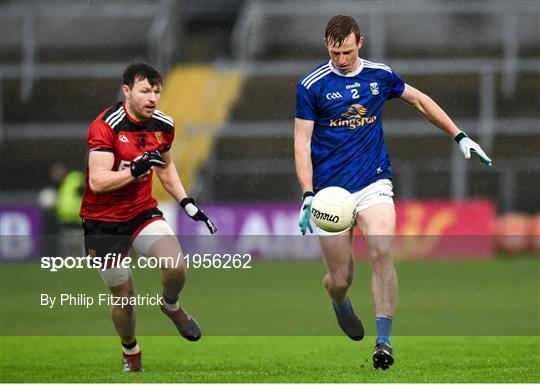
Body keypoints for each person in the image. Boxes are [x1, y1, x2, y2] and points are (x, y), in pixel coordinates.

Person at [294, 15, 492, 370]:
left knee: (383, 251)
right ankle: (339, 302)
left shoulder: (378, 75)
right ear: (326, 45)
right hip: (329, 193)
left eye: (348, 52)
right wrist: (308, 194)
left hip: (373, 182)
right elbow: (301, 142)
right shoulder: (311, 86)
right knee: (340, 279)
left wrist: (460, 136)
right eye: (336, 52)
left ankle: (383, 342)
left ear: (361, 43)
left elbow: (420, 101)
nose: (342, 59)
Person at [80, 62, 217, 372]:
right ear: (127, 91)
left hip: (141, 211)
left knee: (176, 265)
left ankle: (170, 305)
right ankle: (131, 350)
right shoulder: (106, 125)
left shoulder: (163, 124)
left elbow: (165, 165)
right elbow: (97, 182)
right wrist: (135, 170)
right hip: (103, 222)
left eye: (157, 91)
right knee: (124, 298)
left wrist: (186, 202)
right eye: (145, 91)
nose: (152, 97)